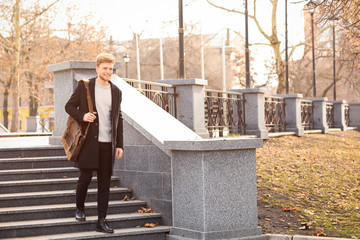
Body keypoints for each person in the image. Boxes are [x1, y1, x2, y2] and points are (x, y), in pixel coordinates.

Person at [65, 53, 123, 234]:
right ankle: (80, 208)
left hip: (108, 144)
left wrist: (119, 144)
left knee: (104, 183)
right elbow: (69, 106)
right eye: (104, 68)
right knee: (86, 178)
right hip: (89, 142)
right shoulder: (85, 87)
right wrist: (83, 115)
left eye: (110, 69)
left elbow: (118, 119)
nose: (108, 72)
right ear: (97, 69)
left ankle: (101, 220)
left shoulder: (116, 91)